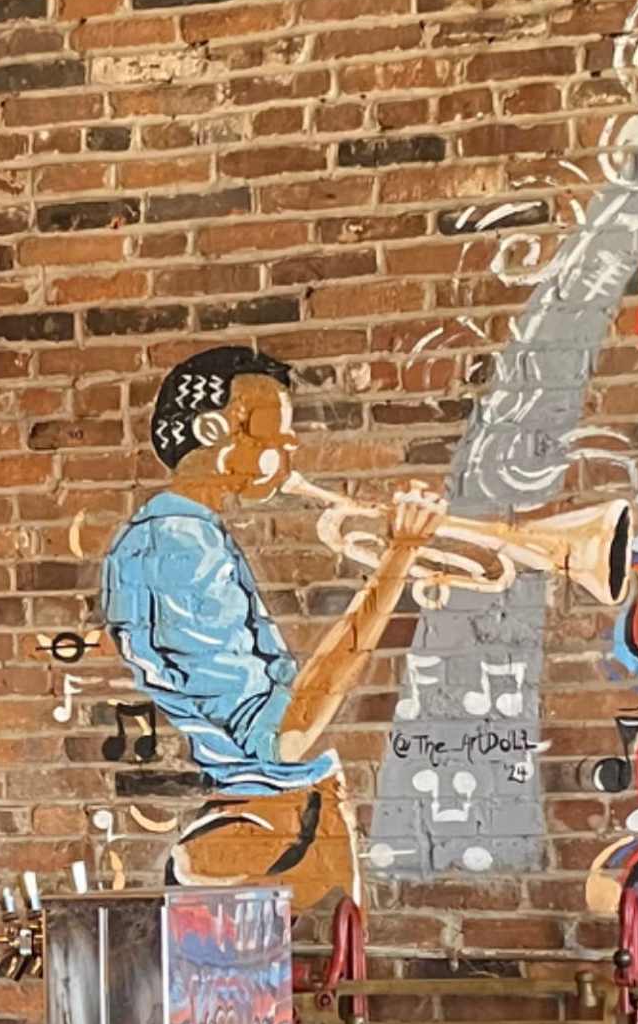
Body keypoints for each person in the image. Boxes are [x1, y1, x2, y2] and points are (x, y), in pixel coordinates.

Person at [98, 346, 440, 910]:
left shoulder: (186, 536)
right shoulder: (180, 545)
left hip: (283, 828)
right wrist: (398, 560)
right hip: (266, 840)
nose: (290, 446)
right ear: (214, 429)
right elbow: (287, 736)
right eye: (270, 430)